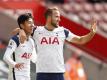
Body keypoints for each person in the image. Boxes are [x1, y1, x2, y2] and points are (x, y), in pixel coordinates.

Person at [12, 7, 97, 80]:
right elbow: (15, 31)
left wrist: (92, 33)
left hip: (58, 74)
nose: (59, 19)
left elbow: (80, 40)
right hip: (42, 73)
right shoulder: (36, 30)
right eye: (56, 17)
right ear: (49, 17)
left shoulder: (63, 31)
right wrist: (21, 30)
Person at [3, 13, 37, 80]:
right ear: (22, 25)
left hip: (27, 76)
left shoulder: (31, 41)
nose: (32, 25)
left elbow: (34, 59)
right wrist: (15, 64)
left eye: (33, 23)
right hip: (16, 75)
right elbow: (5, 57)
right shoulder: (15, 39)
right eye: (29, 23)